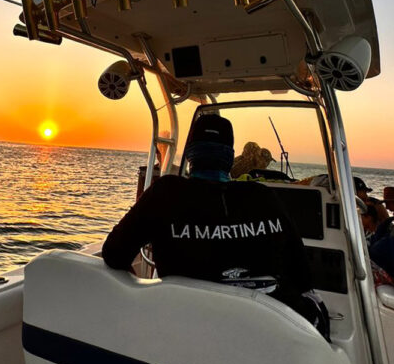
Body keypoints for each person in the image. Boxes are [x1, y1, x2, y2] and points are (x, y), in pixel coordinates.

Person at [102, 114, 329, 339]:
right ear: (230, 158)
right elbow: (303, 276)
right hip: (267, 334)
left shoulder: (165, 193)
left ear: (191, 155)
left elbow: (114, 254)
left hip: (183, 328)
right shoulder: (264, 197)